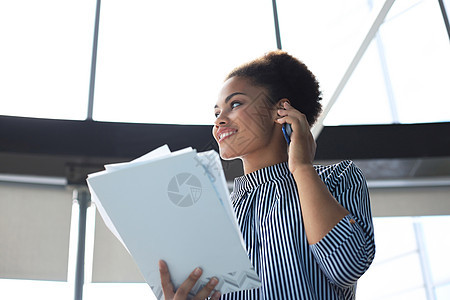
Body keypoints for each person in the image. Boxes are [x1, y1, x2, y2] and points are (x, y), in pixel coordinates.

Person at [159, 50, 376, 299]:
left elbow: (348, 266)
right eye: (217, 113)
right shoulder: (218, 214)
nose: (219, 121)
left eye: (235, 104)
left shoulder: (337, 178)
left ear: (280, 110)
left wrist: (302, 168)